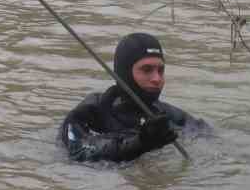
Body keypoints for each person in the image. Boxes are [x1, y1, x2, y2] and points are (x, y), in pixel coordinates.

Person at [59, 32, 202, 163]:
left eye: (160, 70)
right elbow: (78, 152)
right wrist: (140, 143)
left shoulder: (168, 115)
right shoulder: (90, 112)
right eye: (147, 70)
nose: (157, 79)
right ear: (125, 73)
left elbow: (206, 137)